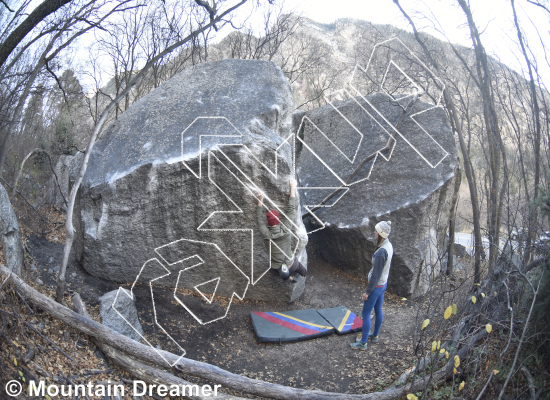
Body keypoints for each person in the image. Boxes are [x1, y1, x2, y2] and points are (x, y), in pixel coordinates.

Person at [350, 221, 393, 350]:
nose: (374, 232)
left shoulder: (381, 253)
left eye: (376, 231)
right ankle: (375, 336)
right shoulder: (388, 245)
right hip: (383, 285)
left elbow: (376, 275)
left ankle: (363, 343)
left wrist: (367, 292)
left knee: (366, 313)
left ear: (380, 234)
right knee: (378, 309)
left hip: (376, 287)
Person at [256, 178, 307, 283]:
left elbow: (259, 220)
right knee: (301, 269)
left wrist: (260, 200)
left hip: (278, 268)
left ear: (268, 222)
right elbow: (291, 209)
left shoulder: (266, 233)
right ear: (279, 220)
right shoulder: (286, 228)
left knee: (273, 271)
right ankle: (302, 274)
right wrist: (292, 188)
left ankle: (288, 278)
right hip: (292, 264)